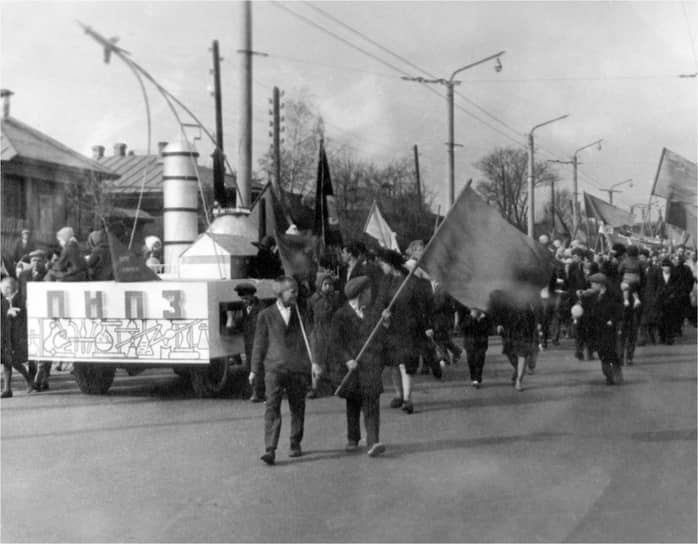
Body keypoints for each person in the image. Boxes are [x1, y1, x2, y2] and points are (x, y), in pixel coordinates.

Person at [249, 276, 320, 465]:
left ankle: (295, 442)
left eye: (296, 291)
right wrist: (254, 370)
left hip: (297, 368)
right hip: (274, 369)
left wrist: (315, 362)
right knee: (272, 407)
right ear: (280, 293)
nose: (296, 295)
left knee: (297, 406)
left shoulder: (302, 313)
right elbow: (259, 343)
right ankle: (270, 449)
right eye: (292, 291)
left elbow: (312, 336)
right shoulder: (266, 315)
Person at [330, 276, 387, 457]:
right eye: (368, 291)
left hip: (370, 366)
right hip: (352, 368)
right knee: (353, 403)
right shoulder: (341, 315)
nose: (371, 294)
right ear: (361, 294)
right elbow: (335, 343)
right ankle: (353, 437)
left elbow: (380, 337)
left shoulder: (374, 313)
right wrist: (347, 359)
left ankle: (373, 442)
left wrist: (384, 323)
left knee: (371, 404)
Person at [374, 248, 431, 414]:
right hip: (391, 327)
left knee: (404, 364)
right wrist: (383, 312)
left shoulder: (410, 281)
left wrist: (426, 325)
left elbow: (422, 304)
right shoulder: (386, 281)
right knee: (393, 364)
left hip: (408, 327)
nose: (382, 267)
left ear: (391, 264)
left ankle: (408, 399)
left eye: (383, 264)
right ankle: (398, 394)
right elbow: (380, 301)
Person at [18, 250, 51, 390]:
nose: (36, 263)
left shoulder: (49, 274)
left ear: (44, 261)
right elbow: (20, 294)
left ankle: (44, 378)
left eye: (39, 260)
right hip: (28, 315)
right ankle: (33, 376)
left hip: (45, 315)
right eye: (33, 260)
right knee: (32, 345)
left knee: (46, 345)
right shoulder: (24, 275)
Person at [582, 273, 623, 385]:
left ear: (601, 284)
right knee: (601, 352)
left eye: (594, 283)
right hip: (596, 328)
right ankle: (609, 375)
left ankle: (614, 372)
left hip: (608, 328)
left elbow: (619, 311)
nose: (591, 285)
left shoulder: (613, 296)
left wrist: (612, 320)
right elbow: (586, 310)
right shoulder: (591, 296)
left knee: (609, 351)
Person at [226, 282, 265, 402]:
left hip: (259, 342)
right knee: (250, 366)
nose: (244, 301)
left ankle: (258, 393)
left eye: (246, 298)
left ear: (252, 296)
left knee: (259, 367)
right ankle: (254, 391)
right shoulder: (244, 308)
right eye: (242, 298)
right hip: (249, 342)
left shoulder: (261, 308)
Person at [307, 272, 339, 398]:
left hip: (331, 331)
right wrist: (311, 332)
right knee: (316, 361)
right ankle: (315, 387)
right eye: (325, 284)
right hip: (318, 332)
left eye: (330, 284)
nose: (328, 287)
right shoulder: (312, 300)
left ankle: (334, 385)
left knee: (332, 359)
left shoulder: (335, 299)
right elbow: (308, 318)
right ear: (320, 285)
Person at [1, 277, 34, 398]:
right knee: (7, 362)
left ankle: (30, 380)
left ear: (8, 289)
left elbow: (24, 315)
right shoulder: (5, 301)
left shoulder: (21, 298)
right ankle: (7, 389)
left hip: (16, 336)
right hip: (7, 336)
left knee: (13, 362)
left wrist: (15, 314)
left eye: (3, 289)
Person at [459, 306, 490, 388]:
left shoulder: (485, 315)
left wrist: (482, 319)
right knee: (471, 360)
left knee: (480, 360)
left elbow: (488, 328)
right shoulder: (466, 314)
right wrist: (472, 318)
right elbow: (462, 328)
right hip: (469, 342)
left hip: (481, 342)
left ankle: (477, 378)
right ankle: (473, 377)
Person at [656, 258, 681, 345]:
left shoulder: (675, 275)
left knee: (670, 320)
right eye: (664, 266)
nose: (666, 268)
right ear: (662, 267)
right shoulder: (658, 275)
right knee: (661, 319)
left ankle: (670, 337)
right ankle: (662, 336)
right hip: (661, 300)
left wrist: (673, 294)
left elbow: (678, 286)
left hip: (671, 301)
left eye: (668, 267)